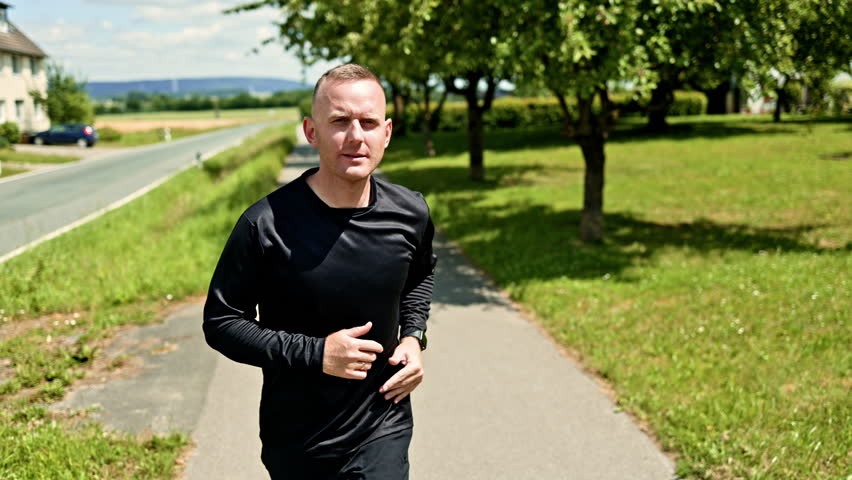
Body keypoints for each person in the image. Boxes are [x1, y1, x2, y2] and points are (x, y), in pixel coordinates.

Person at [202, 63, 436, 480]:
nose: (356, 136)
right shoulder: (265, 225)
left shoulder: (411, 212)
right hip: (298, 439)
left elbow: (419, 277)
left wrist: (413, 336)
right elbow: (220, 322)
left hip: (383, 425)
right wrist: (316, 354)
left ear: (387, 132)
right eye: (340, 122)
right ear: (311, 132)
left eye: (368, 122)